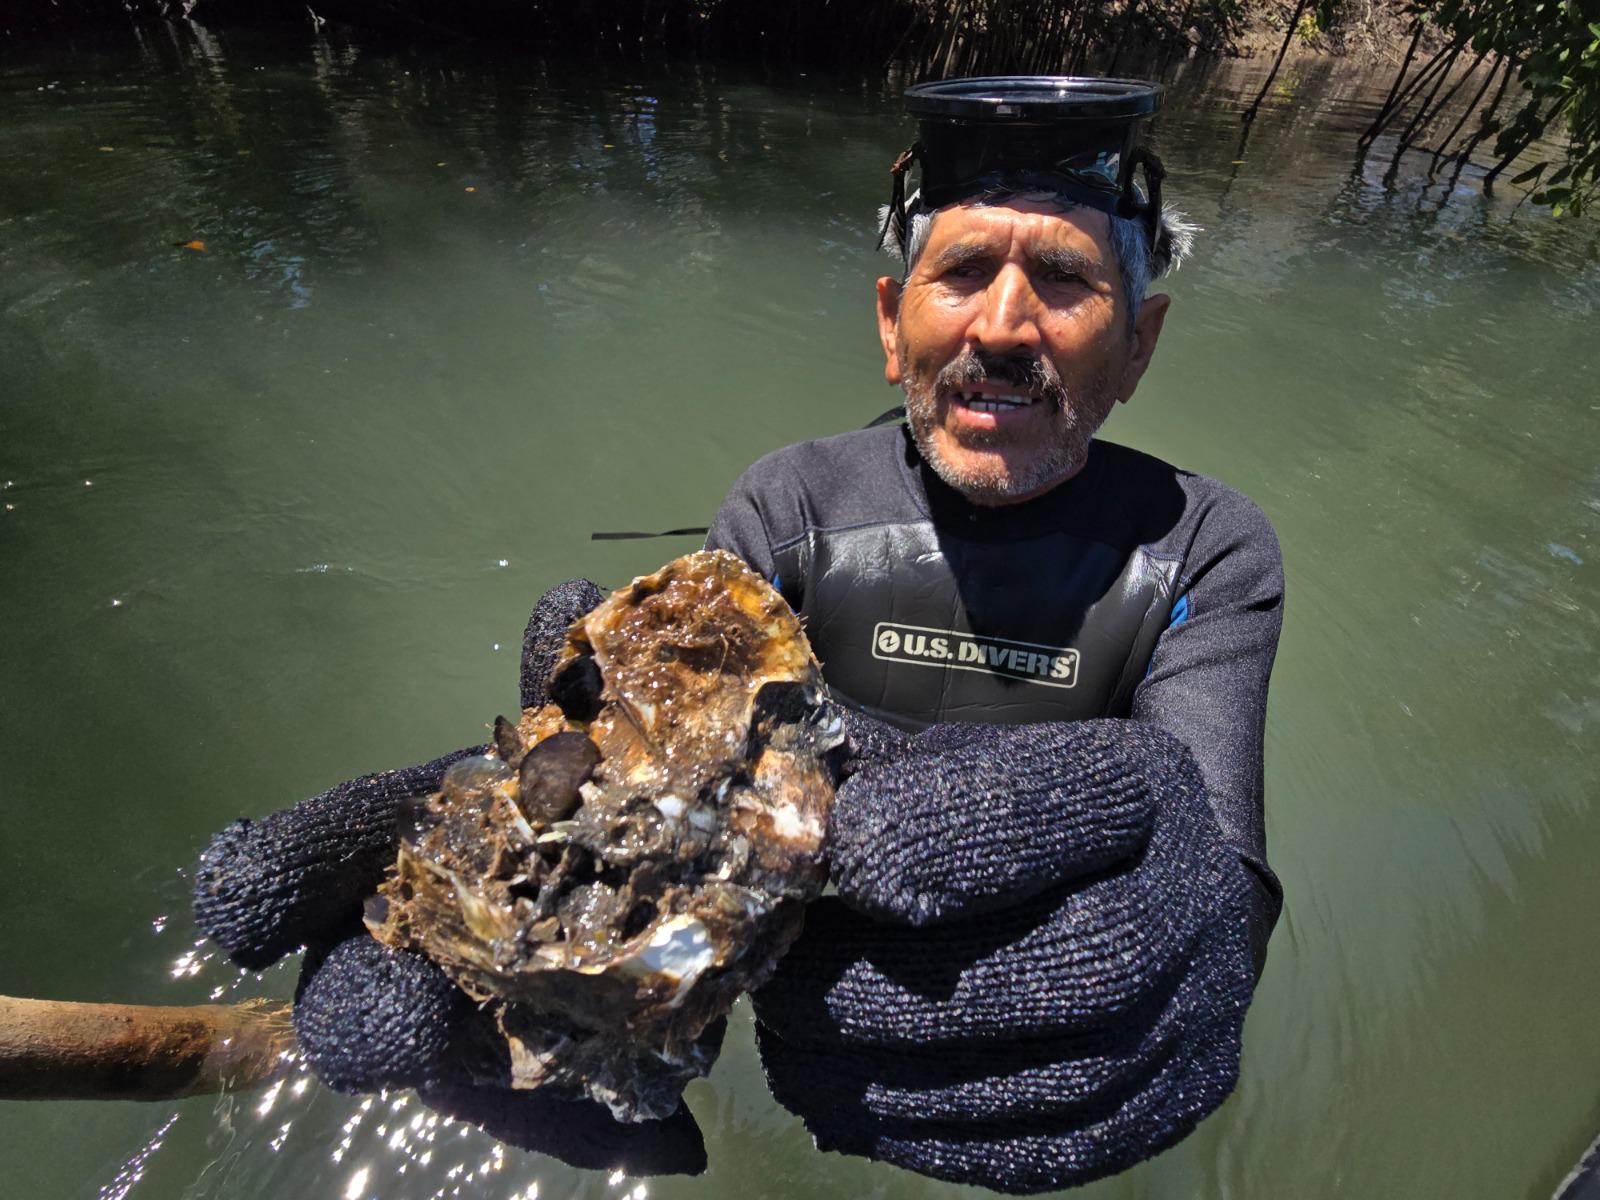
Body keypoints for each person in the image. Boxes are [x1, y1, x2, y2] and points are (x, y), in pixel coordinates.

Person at [191, 77, 1283, 1194]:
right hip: (802, 980)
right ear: (889, 323)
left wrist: (1203, 958)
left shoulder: (1202, 546)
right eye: (958, 272)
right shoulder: (790, 507)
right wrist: (521, 886)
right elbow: (665, 767)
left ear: (1139, 341)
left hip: (1039, 1012)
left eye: (1064, 278)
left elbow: (1224, 867)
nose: (1001, 326)